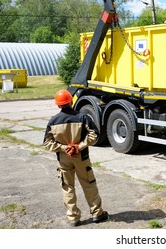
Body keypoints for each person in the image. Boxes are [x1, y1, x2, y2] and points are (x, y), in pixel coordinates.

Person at [43, 89, 108, 227]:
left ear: (58, 105)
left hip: (64, 158)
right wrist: (79, 146)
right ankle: (97, 213)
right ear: (71, 101)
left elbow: (47, 143)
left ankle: (73, 218)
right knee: (89, 184)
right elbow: (94, 135)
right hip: (81, 157)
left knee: (68, 187)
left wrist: (63, 148)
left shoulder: (53, 121)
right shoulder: (83, 117)